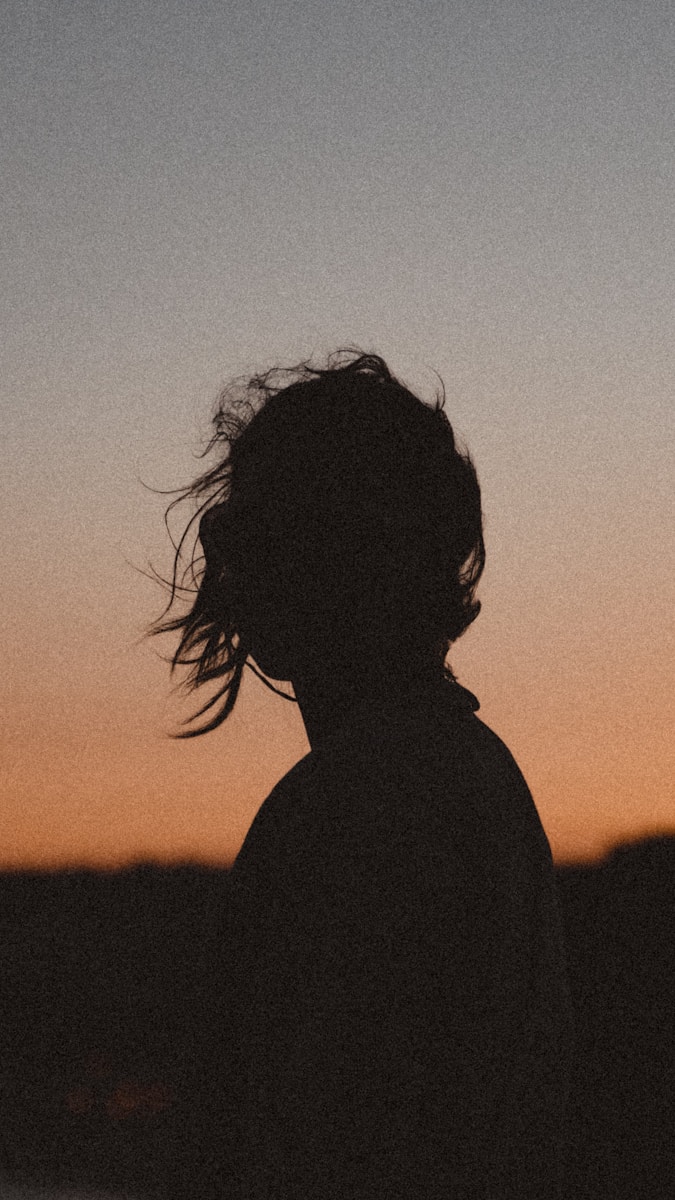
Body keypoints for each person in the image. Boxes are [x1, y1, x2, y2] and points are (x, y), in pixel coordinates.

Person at [149, 350, 574, 1198]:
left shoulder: (363, 805)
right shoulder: (458, 776)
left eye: (266, 524)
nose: (229, 552)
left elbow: (309, 1145)